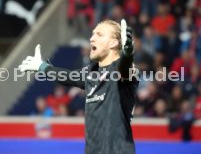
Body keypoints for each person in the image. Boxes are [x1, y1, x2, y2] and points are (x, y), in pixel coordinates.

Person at [19, 20, 138, 154]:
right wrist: (41, 67)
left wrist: (128, 54)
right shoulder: (91, 72)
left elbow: (126, 68)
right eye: (93, 34)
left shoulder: (122, 71)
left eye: (99, 34)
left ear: (113, 43)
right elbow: (67, 76)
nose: (92, 38)